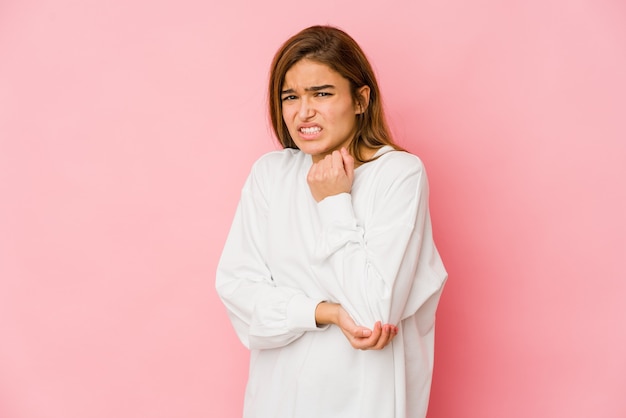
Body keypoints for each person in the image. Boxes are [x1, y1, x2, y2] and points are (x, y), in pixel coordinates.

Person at [216, 25, 447, 418]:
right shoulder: (270, 174)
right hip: (275, 402)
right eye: (291, 96)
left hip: (364, 400)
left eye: (321, 93)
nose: (304, 112)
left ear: (360, 99)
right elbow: (239, 294)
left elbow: (375, 310)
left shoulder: (399, 174)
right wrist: (325, 312)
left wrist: (335, 201)